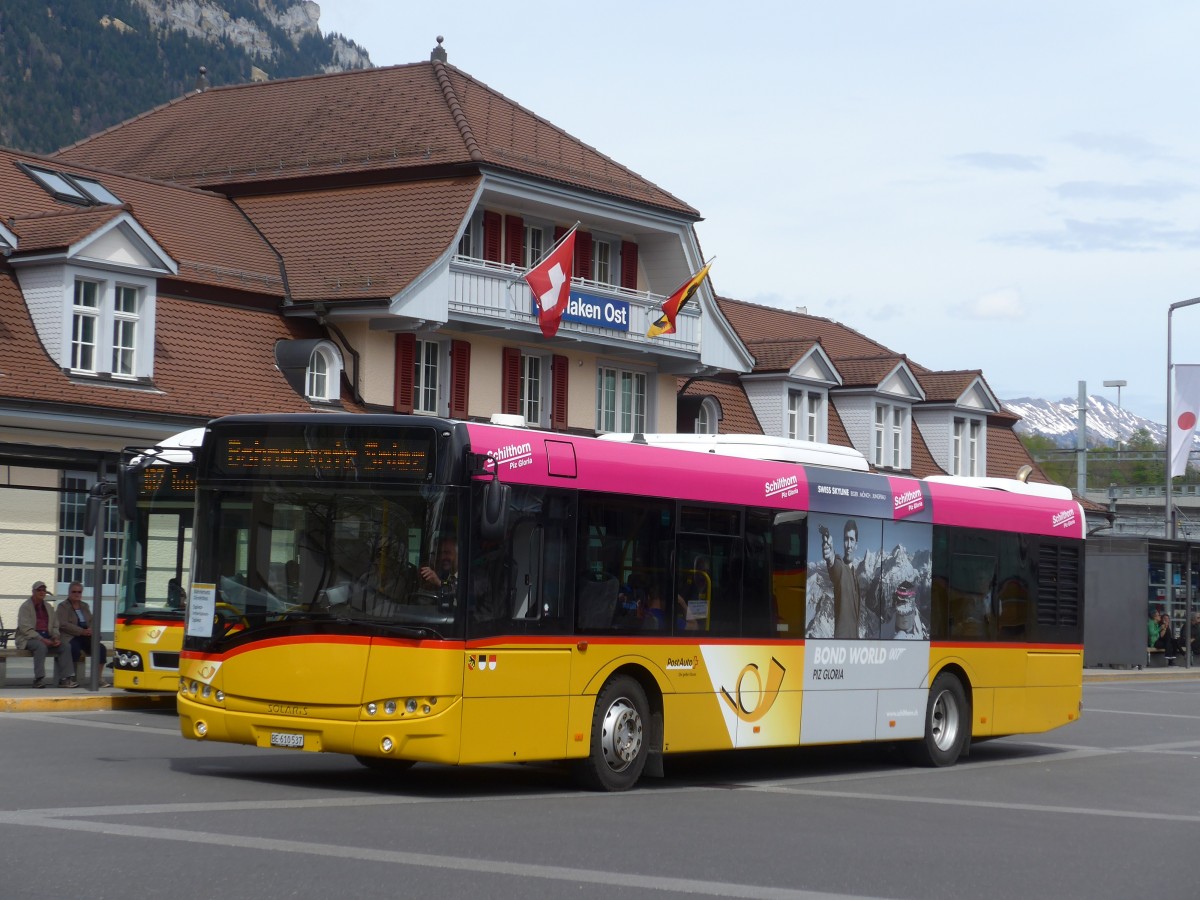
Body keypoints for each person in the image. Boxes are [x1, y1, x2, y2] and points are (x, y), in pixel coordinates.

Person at [14, 580, 75, 688]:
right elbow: (25, 629)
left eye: (44, 590)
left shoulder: (48, 607)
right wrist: (41, 639)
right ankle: (39, 679)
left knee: (65, 646)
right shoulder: (26, 607)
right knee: (40, 646)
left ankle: (65, 679)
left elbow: (55, 625)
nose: (42, 592)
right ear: (33, 592)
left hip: (47, 637)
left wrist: (55, 637)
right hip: (29, 638)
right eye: (39, 590)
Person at [57, 581, 109, 684]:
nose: (77, 594)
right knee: (74, 649)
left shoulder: (85, 606)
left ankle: (98, 678)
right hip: (71, 636)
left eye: (79, 592)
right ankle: (70, 677)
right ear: (69, 593)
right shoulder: (63, 606)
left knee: (101, 648)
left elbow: (92, 620)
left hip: (86, 635)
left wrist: (90, 630)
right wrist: (81, 631)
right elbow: (63, 624)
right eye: (74, 592)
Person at [822, 519, 863, 639]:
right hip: (842, 646)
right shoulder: (841, 567)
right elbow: (835, 567)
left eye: (852, 540)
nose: (848, 545)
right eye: (846, 539)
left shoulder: (854, 574)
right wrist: (830, 558)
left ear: (856, 544)